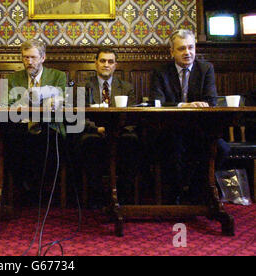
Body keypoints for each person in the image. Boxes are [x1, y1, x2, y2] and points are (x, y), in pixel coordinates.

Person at [150, 29, 228, 204]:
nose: (187, 53)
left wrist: (203, 105)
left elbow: (211, 101)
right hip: (169, 129)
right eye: (182, 49)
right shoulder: (160, 72)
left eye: (191, 47)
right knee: (173, 148)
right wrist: (182, 105)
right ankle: (175, 195)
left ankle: (195, 191)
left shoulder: (206, 69)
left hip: (199, 130)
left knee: (222, 149)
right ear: (172, 52)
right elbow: (156, 102)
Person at [4, 39, 67, 206]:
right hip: (22, 126)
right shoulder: (14, 78)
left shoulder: (57, 76)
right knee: (10, 141)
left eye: (33, 57)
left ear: (43, 58)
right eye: (25, 58)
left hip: (49, 125)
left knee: (46, 142)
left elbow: (61, 103)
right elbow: (8, 106)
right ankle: (25, 188)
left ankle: (41, 190)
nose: (29, 62)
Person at [78, 48, 140, 205]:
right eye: (102, 61)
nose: (106, 64)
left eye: (110, 61)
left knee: (132, 141)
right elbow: (78, 115)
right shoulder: (83, 86)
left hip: (120, 133)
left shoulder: (126, 87)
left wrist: (116, 129)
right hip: (94, 132)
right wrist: (97, 129)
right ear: (96, 63)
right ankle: (97, 198)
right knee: (88, 142)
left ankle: (124, 197)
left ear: (115, 65)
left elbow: (133, 116)